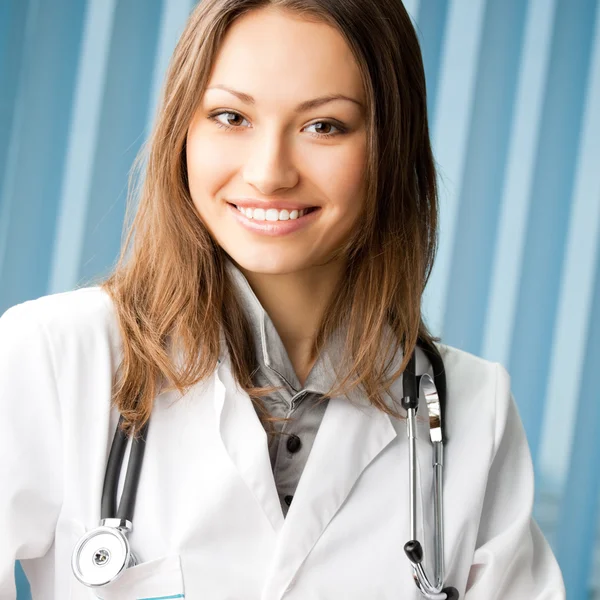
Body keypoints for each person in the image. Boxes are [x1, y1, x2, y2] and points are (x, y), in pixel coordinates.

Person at [0, 0, 566, 598]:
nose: (269, 173)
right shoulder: (54, 356)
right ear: (182, 131)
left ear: (390, 148)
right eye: (230, 117)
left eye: (324, 126)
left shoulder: (473, 411)